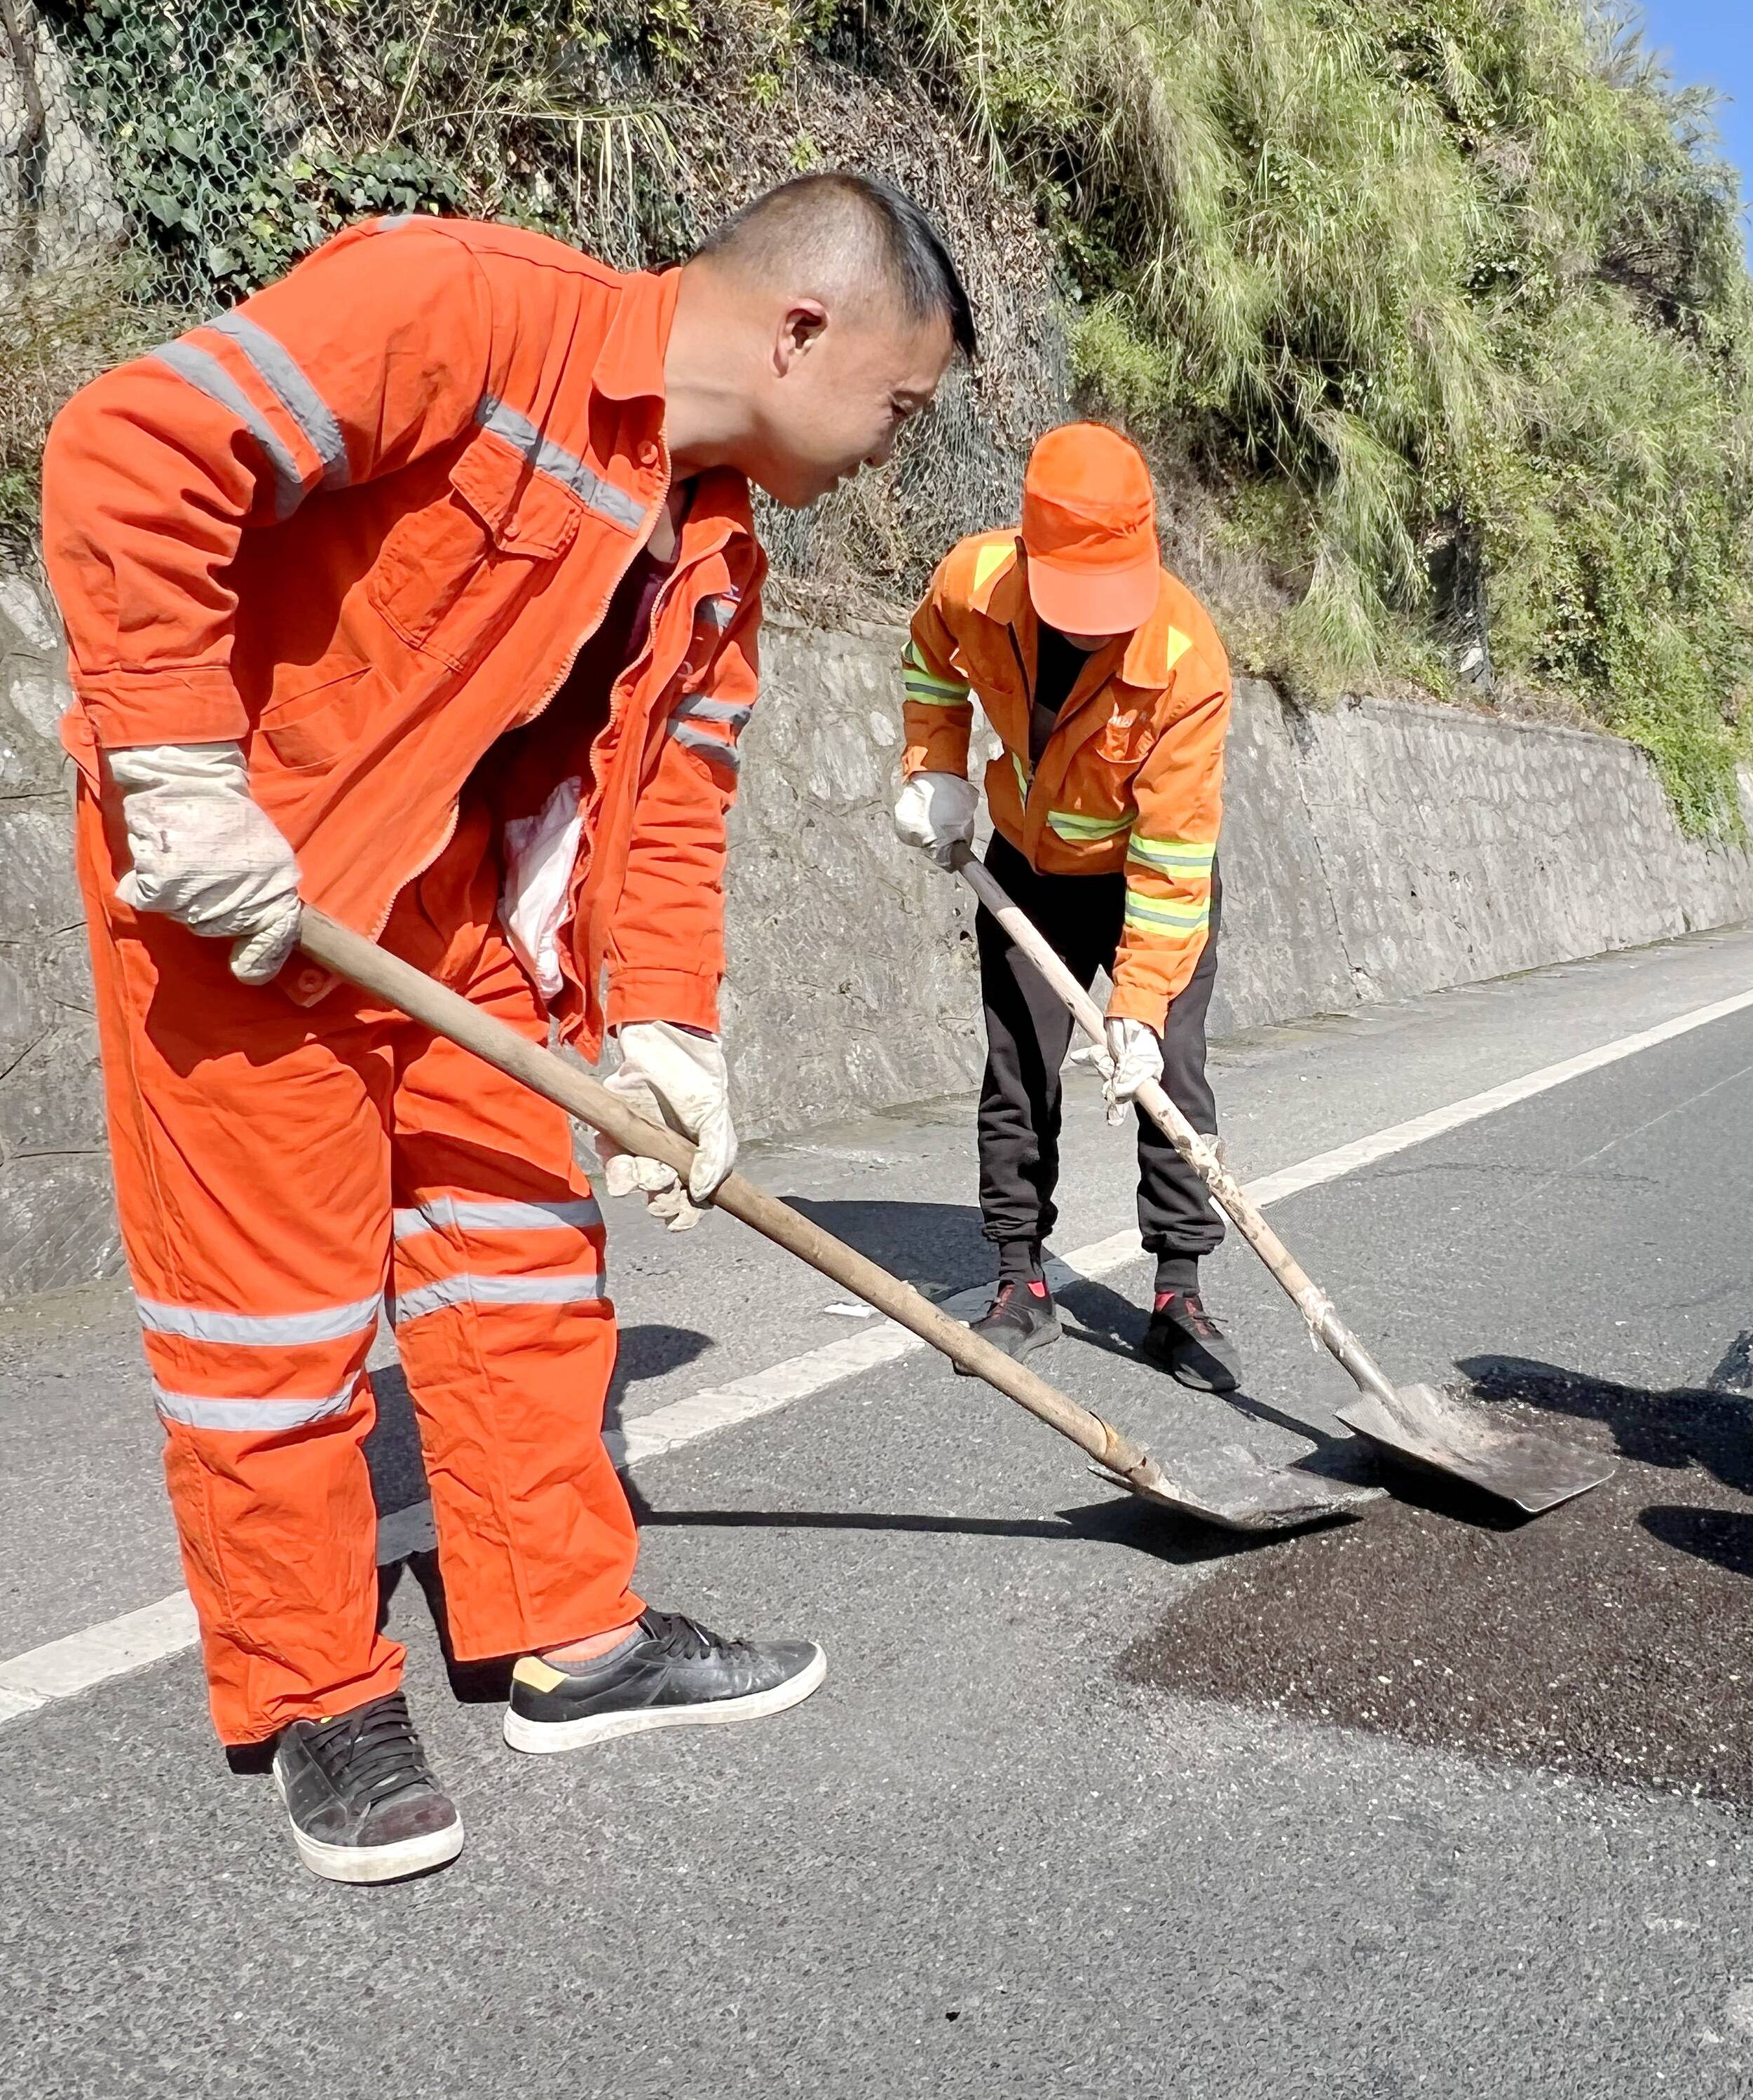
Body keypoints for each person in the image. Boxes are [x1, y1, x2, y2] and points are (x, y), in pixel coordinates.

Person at [43, 172, 976, 1881]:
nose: (888, 450)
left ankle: (568, 1639)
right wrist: (179, 768)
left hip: (451, 911)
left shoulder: (715, 550)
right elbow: (135, 448)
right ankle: (321, 1695)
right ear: (800, 326)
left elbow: (674, 802)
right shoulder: (464, 306)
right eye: (897, 407)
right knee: (276, 1337)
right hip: (243, 891)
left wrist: (671, 1033)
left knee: (526, 1266)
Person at [892, 423, 1239, 1392]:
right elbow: (928, 663)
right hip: (1030, 872)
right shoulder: (974, 583)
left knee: (1172, 1078)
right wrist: (935, 770)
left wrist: (1138, 1005)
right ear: (1030, 553)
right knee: (1016, 1074)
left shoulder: (1183, 657)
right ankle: (1019, 1282)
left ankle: (1178, 1292)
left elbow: (1175, 858)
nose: (1095, 623)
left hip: (1143, 880)